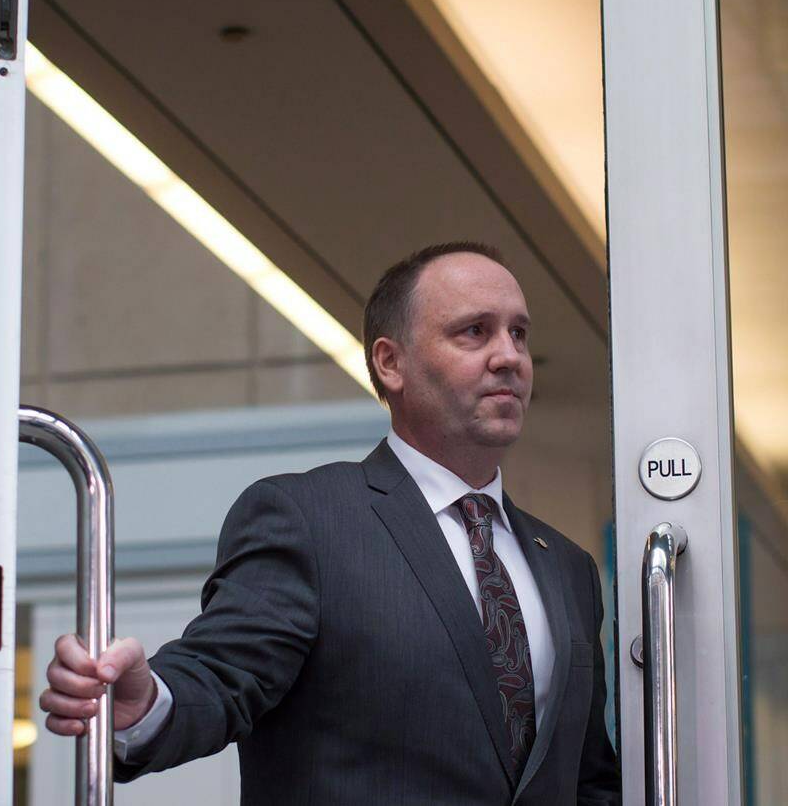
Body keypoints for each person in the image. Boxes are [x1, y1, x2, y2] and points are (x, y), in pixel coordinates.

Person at [38, 242, 621, 805]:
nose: (509, 356)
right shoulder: (306, 520)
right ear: (390, 362)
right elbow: (223, 673)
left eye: (518, 333)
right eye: (475, 331)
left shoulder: (566, 566)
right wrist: (147, 703)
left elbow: (587, 777)